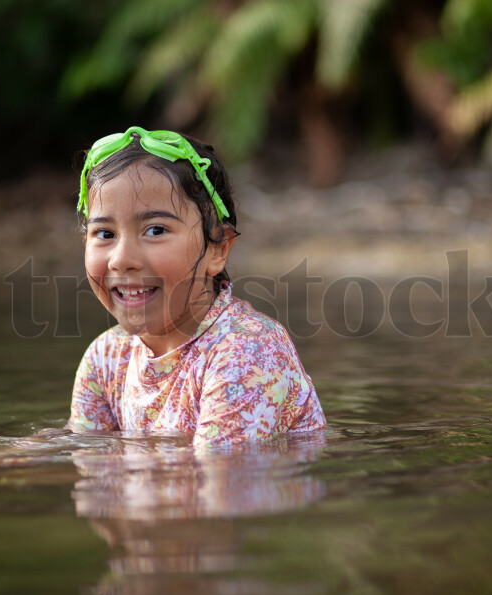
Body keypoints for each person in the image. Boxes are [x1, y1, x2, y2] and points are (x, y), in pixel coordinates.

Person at [68, 126, 326, 445]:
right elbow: (86, 463)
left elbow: (219, 481)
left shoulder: (247, 350)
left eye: (156, 229)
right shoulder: (107, 358)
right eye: (105, 234)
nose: (121, 260)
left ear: (217, 249)